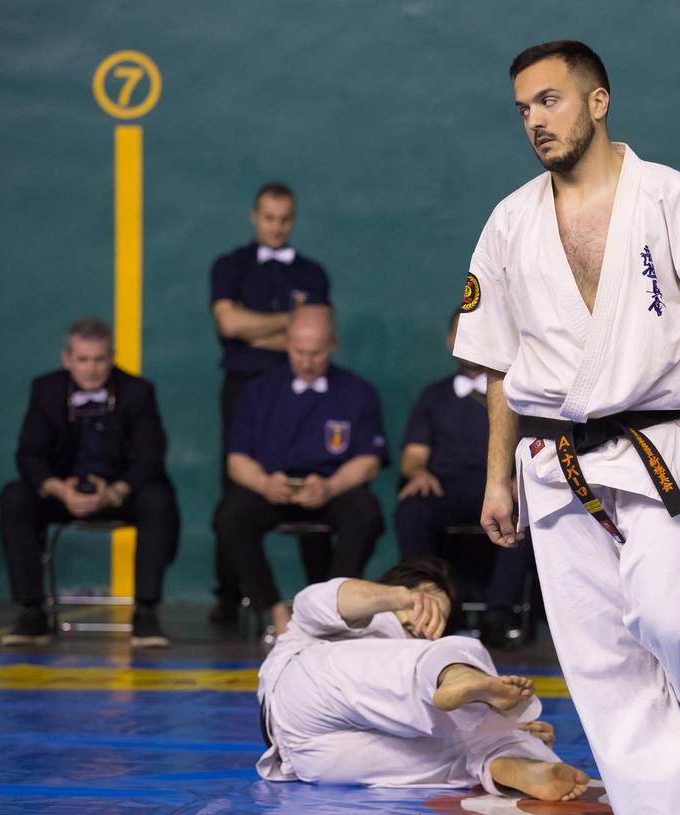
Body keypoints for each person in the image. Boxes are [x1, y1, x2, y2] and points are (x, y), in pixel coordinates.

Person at [453, 41, 680, 815]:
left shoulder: (671, 197)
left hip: (659, 443)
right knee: (602, 662)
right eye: (523, 107)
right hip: (553, 462)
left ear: (598, 102)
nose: (534, 120)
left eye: (550, 101)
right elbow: (495, 362)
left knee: (676, 619)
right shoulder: (510, 221)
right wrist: (497, 477)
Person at [257, 558, 591, 799]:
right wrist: (400, 598)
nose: (425, 620)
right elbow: (314, 601)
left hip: (311, 758)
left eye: (438, 617)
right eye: (424, 603)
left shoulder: (419, 648)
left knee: (464, 748)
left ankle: (514, 764)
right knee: (442, 658)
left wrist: (510, 730)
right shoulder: (366, 618)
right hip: (303, 695)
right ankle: (457, 674)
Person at [0, 318, 180, 647]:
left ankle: (146, 612)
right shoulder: (45, 390)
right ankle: (31, 611)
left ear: (111, 357)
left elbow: (151, 457)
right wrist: (59, 489)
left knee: (158, 499)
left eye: (99, 359)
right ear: (67, 358)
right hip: (62, 491)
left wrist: (114, 492)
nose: (92, 369)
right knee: (14, 496)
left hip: (119, 493)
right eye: (83, 360)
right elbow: (29, 455)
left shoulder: (138, 392)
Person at [214, 306, 387, 636]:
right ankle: (274, 611)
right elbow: (236, 461)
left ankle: (333, 609)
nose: (306, 361)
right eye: (298, 351)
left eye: (316, 353)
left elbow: (369, 460)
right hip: (273, 488)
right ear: (286, 344)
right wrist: (264, 483)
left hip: (330, 487)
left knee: (366, 513)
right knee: (230, 516)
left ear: (333, 345)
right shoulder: (258, 391)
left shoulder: (357, 391)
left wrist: (331, 487)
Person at [208, 183, 332, 624]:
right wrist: (291, 324)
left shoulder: (312, 272)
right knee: (238, 488)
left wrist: (254, 326)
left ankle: (322, 600)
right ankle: (229, 597)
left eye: (284, 219)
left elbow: (313, 334)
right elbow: (228, 323)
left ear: (292, 220)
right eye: (269, 217)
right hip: (243, 387)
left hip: (298, 386)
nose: (276, 226)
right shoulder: (230, 266)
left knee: (311, 475)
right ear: (254, 217)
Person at [395, 310, 534, 646]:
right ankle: (428, 608)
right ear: (449, 341)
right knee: (411, 510)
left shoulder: (518, 391)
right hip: (446, 487)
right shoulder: (434, 396)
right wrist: (418, 474)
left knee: (525, 514)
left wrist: (521, 480)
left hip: (501, 485)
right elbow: (412, 458)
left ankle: (498, 616)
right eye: (461, 334)